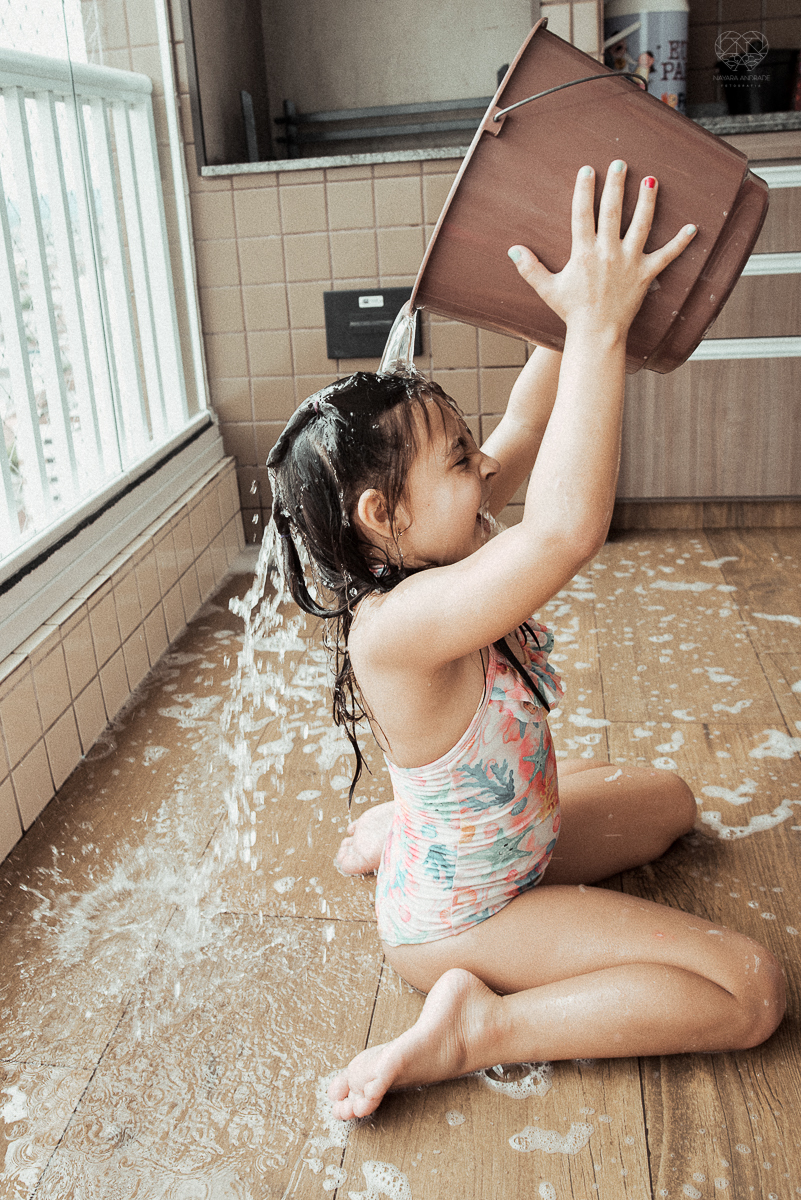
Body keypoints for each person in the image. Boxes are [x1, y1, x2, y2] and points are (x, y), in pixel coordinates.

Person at [266, 161, 785, 1122]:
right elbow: (563, 532)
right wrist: (599, 330)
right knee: (748, 990)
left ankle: (404, 831)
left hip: (509, 843)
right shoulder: (403, 626)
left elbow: (526, 417)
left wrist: (575, 289)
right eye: (459, 460)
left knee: (670, 800)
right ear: (383, 514)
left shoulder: (434, 535)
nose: (484, 463)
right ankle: (478, 1029)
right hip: (465, 914)